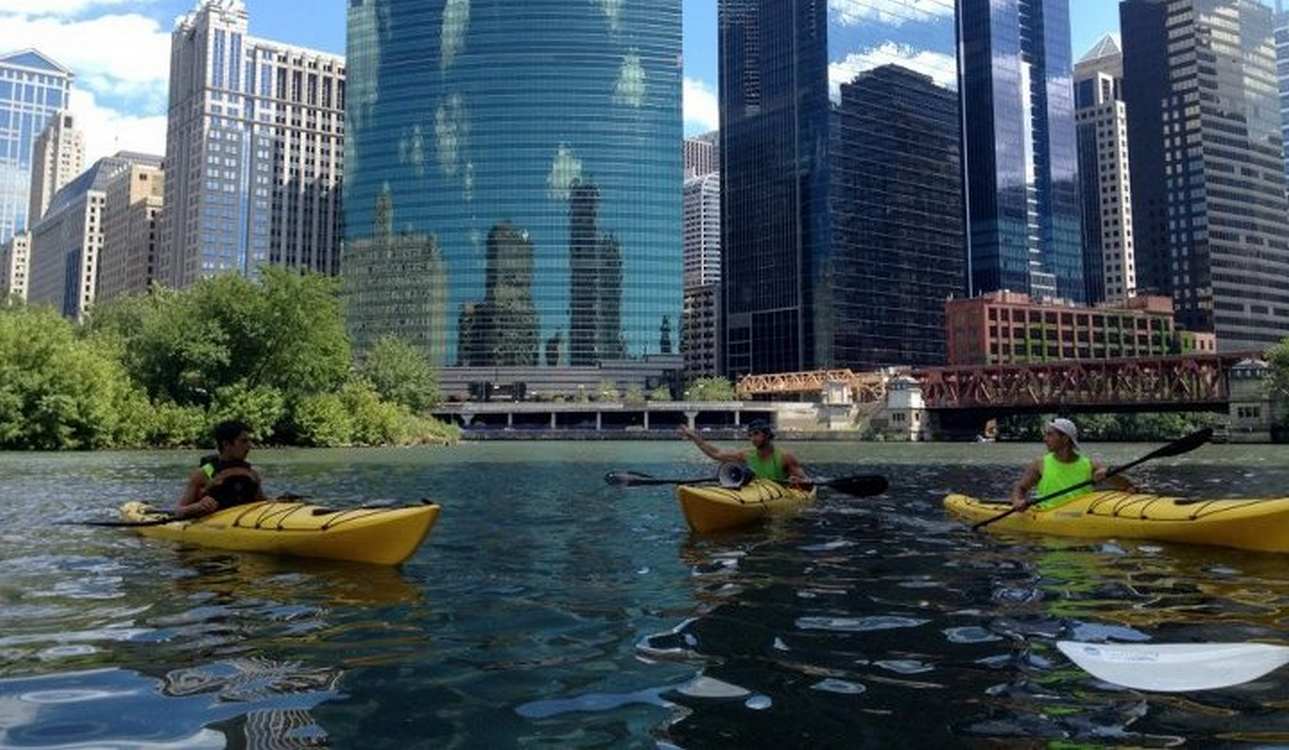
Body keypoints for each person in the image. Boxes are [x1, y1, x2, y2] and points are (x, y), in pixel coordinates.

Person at [1010, 418, 1130, 510]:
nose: (1045, 439)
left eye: (1050, 434)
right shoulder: (1040, 464)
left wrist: (1111, 474)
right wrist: (1017, 501)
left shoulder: (1090, 465)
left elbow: (1128, 487)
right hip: (1048, 516)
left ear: (1065, 439)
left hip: (1080, 517)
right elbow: (1020, 488)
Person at [175, 420, 268, 519]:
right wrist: (197, 507)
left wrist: (280, 501)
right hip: (213, 527)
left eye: (249, 441)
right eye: (243, 441)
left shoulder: (252, 474)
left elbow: (263, 504)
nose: (249, 446)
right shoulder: (203, 474)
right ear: (226, 444)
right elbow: (178, 511)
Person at [678, 419, 809, 487]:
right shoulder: (746, 455)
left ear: (767, 434)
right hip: (754, 493)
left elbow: (807, 482)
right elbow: (716, 454)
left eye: (756, 434)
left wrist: (798, 480)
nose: (753, 438)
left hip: (778, 493)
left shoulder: (785, 457)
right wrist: (694, 437)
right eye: (750, 435)